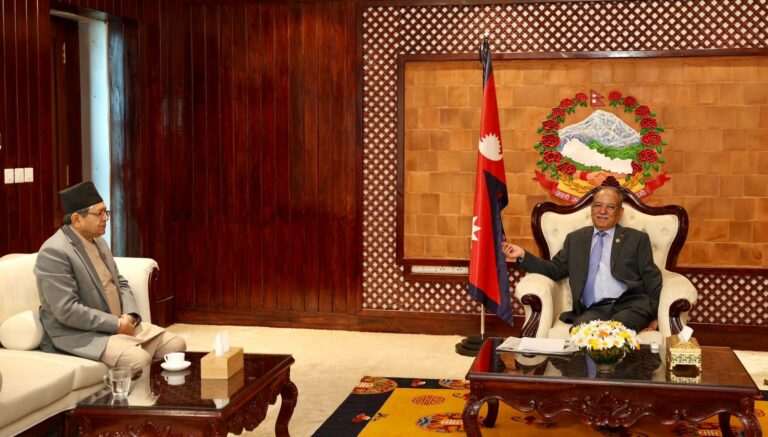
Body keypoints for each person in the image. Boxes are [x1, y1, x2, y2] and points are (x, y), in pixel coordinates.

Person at [35, 181, 186, 372]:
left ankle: (154, 389)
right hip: (82, 335)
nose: (106, 218)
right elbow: (67, 310)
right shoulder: (54, 252)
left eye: (106, 212)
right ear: (77, 219)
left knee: (175, 345)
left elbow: (120, 283)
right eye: (99, 213)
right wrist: (115, 325)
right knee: (138, 359)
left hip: (117, 324)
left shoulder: (99, 241)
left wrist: (130, 316)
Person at [502, 185, 662, 332]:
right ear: (592, 209)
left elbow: (652, 278)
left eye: (610, 207)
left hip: (630, 306)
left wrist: (656, 317)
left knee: (618, 331)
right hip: (594, 309)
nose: (602, 211)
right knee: (580, 333)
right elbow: (554, 269)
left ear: (620, 212)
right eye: (598, 205)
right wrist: (522, 255)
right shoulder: (575, 239)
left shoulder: (636, 239)